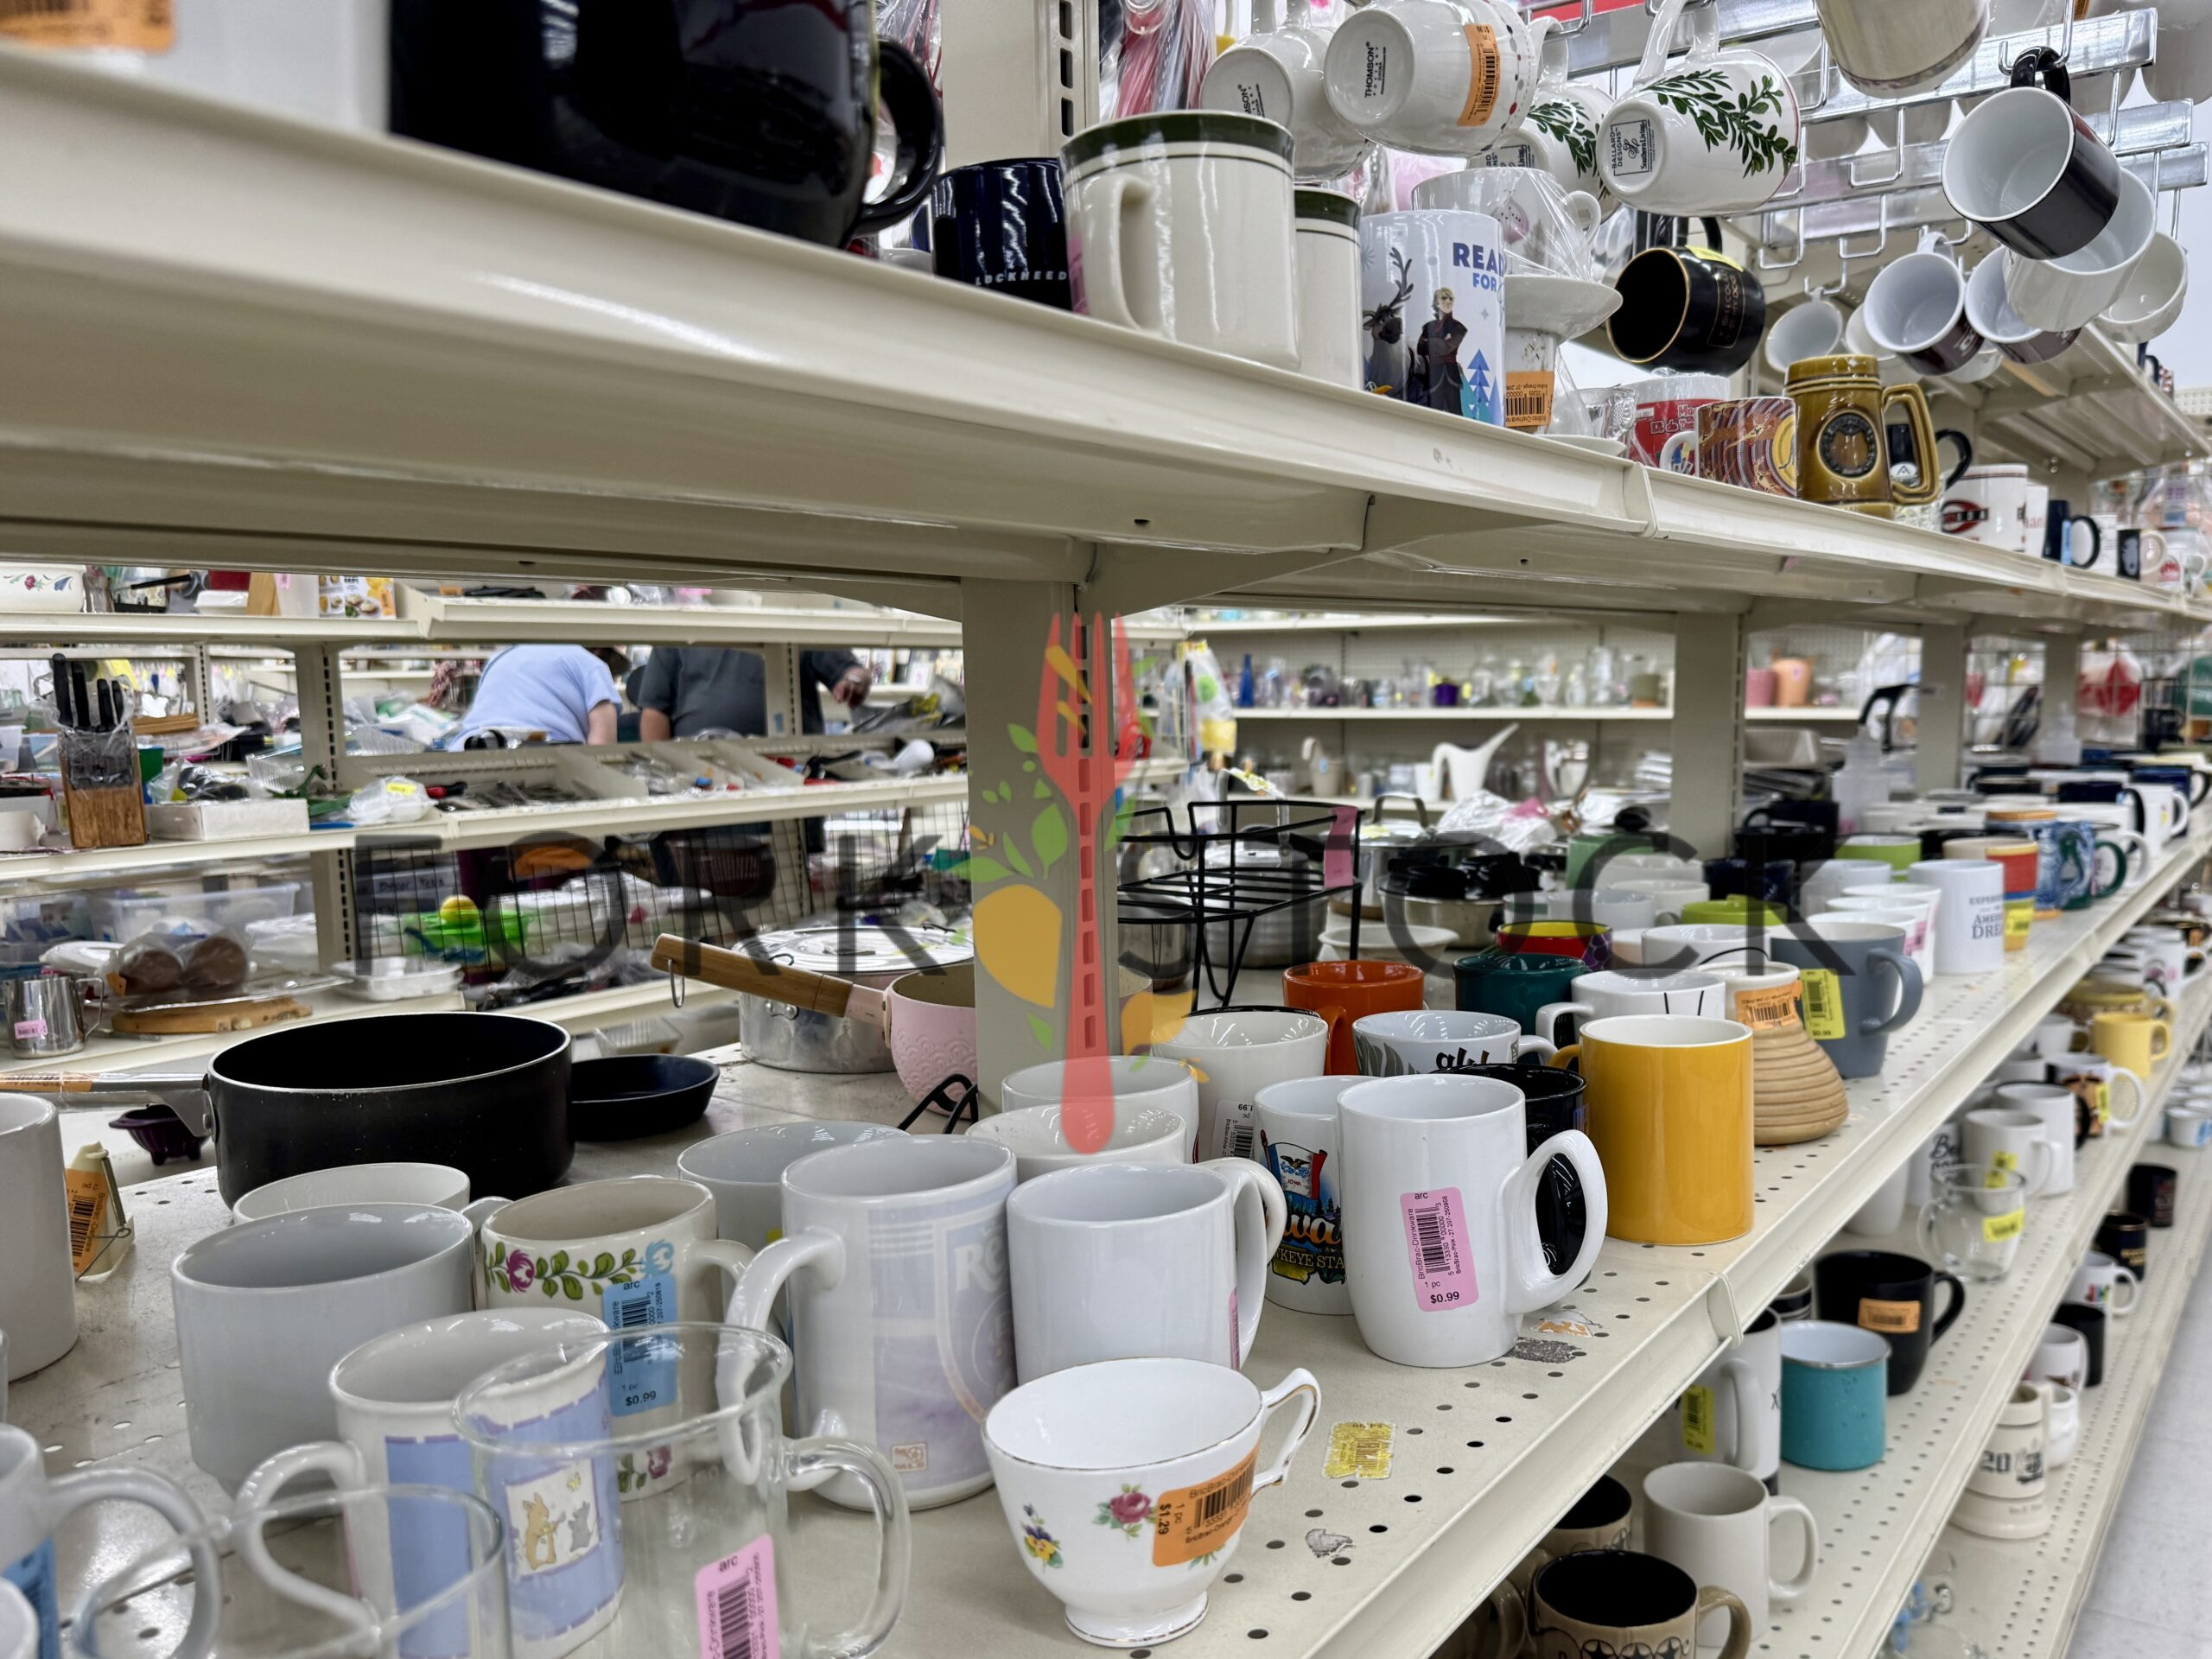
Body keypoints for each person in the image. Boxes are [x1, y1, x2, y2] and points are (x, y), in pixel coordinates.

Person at [633, 648, 873, 741]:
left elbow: (853, 672)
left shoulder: (792, 610)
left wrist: (854, 682)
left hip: (789, 773)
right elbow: (655, 710)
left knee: (787, 847)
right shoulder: (680, 621)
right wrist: (667, 779)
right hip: (701, 778)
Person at [450, 645, 620, 746]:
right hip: (540, 760)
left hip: (468, 750)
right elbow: (601, 750)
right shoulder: (591, 664)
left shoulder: (502, 656)